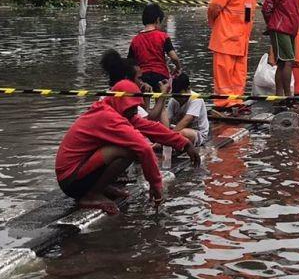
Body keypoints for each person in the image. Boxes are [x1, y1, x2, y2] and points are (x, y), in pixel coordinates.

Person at [55, 79, 200, 215]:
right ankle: (92, 195)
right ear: (122, 102)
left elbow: (153, 128)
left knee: (129, 145)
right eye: (133, 107)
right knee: (130, 150)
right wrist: (156, 185)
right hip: (71, 180)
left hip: (78, 172)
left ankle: (100, 187)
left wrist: (184, 143)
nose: (136, 111)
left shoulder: (118, 110)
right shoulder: (107, 116)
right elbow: (143, 148)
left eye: (137, 106)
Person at [208, 0, 263, 107]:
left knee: (239, 75)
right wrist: (217, 28)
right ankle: (223, 103)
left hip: (241, 42)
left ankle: (236, 101)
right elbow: (213, 8)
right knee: (223, 75)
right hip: (225, 40)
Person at [261, 0, 299, 96]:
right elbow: (266, 8)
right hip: (280, 28)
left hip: (289, 30)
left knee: (282, 63)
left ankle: (279, 95)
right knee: (288, 61)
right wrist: (272, 24)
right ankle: (288, 95)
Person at [128, 3, 180, 90]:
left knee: (145, 101)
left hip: (143, 76)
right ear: (158, 20)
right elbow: (174, 58)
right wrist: (178, 67)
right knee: (161, 99)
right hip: (161, 75)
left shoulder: (135, 40)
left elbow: (130, 63)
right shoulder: (163, 36)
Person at [166, 72, 209, 147]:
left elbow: (187, 119)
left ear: (188, 89)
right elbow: (167, 119)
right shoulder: (173, 100)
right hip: (177, 130)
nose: (178, 99)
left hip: (197, 134)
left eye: (181, 96)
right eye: (176, 96)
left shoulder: (196, 98)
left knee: (183, 133)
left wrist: (167, 137)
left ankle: (165, 142)